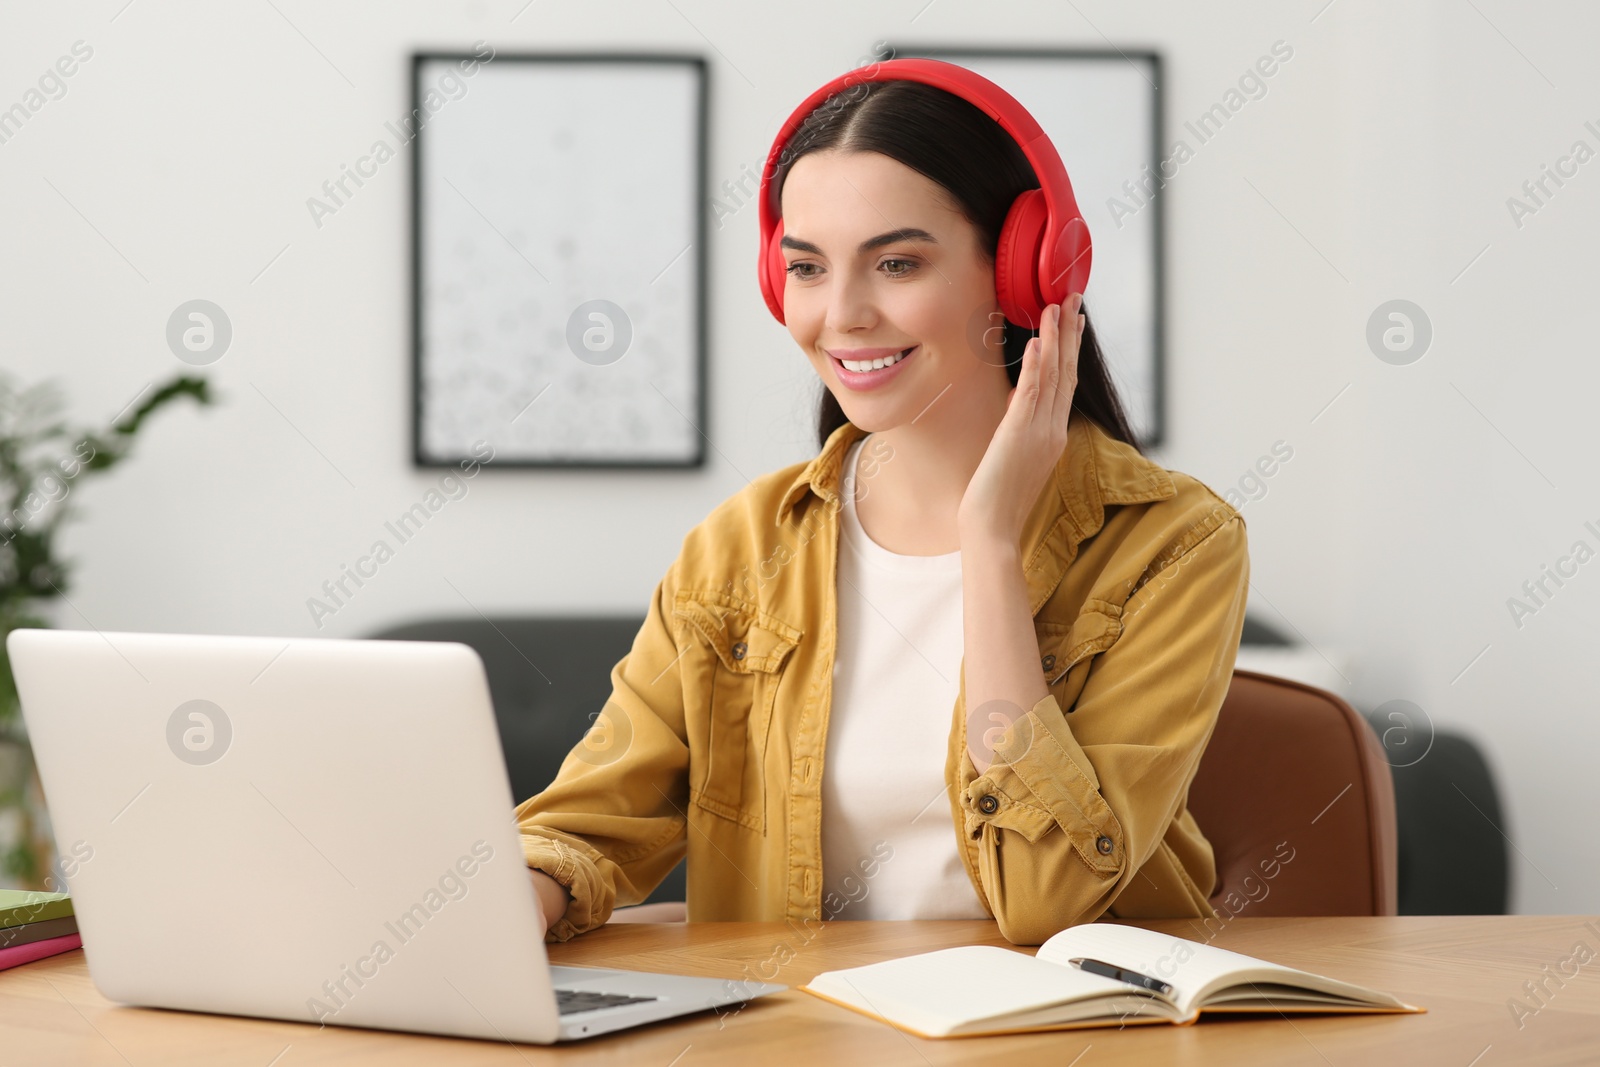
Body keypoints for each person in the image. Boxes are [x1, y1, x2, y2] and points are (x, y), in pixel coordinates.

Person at [516, 61, 1250, 947]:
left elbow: (1048, 896)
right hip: (793, 1037)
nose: (844, 313)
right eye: (808, 268)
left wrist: (989, 541)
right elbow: (588, 823)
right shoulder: (744, 547)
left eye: (897, 262)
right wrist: (518, 900)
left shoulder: (1174, 544)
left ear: (1021, 271)